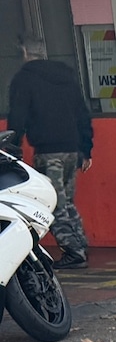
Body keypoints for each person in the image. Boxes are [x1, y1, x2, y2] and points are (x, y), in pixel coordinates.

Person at [6, 36, 93, 268]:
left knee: (52, 204)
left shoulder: (24, 79)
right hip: (72, 149)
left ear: (25, 53)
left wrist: (11, 148)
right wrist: (86, 149)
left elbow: (18, 117)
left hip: (48, 151)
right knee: (68, 202)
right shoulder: (67, 77)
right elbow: (82, 113)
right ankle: (81, 245)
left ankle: (74, 251)